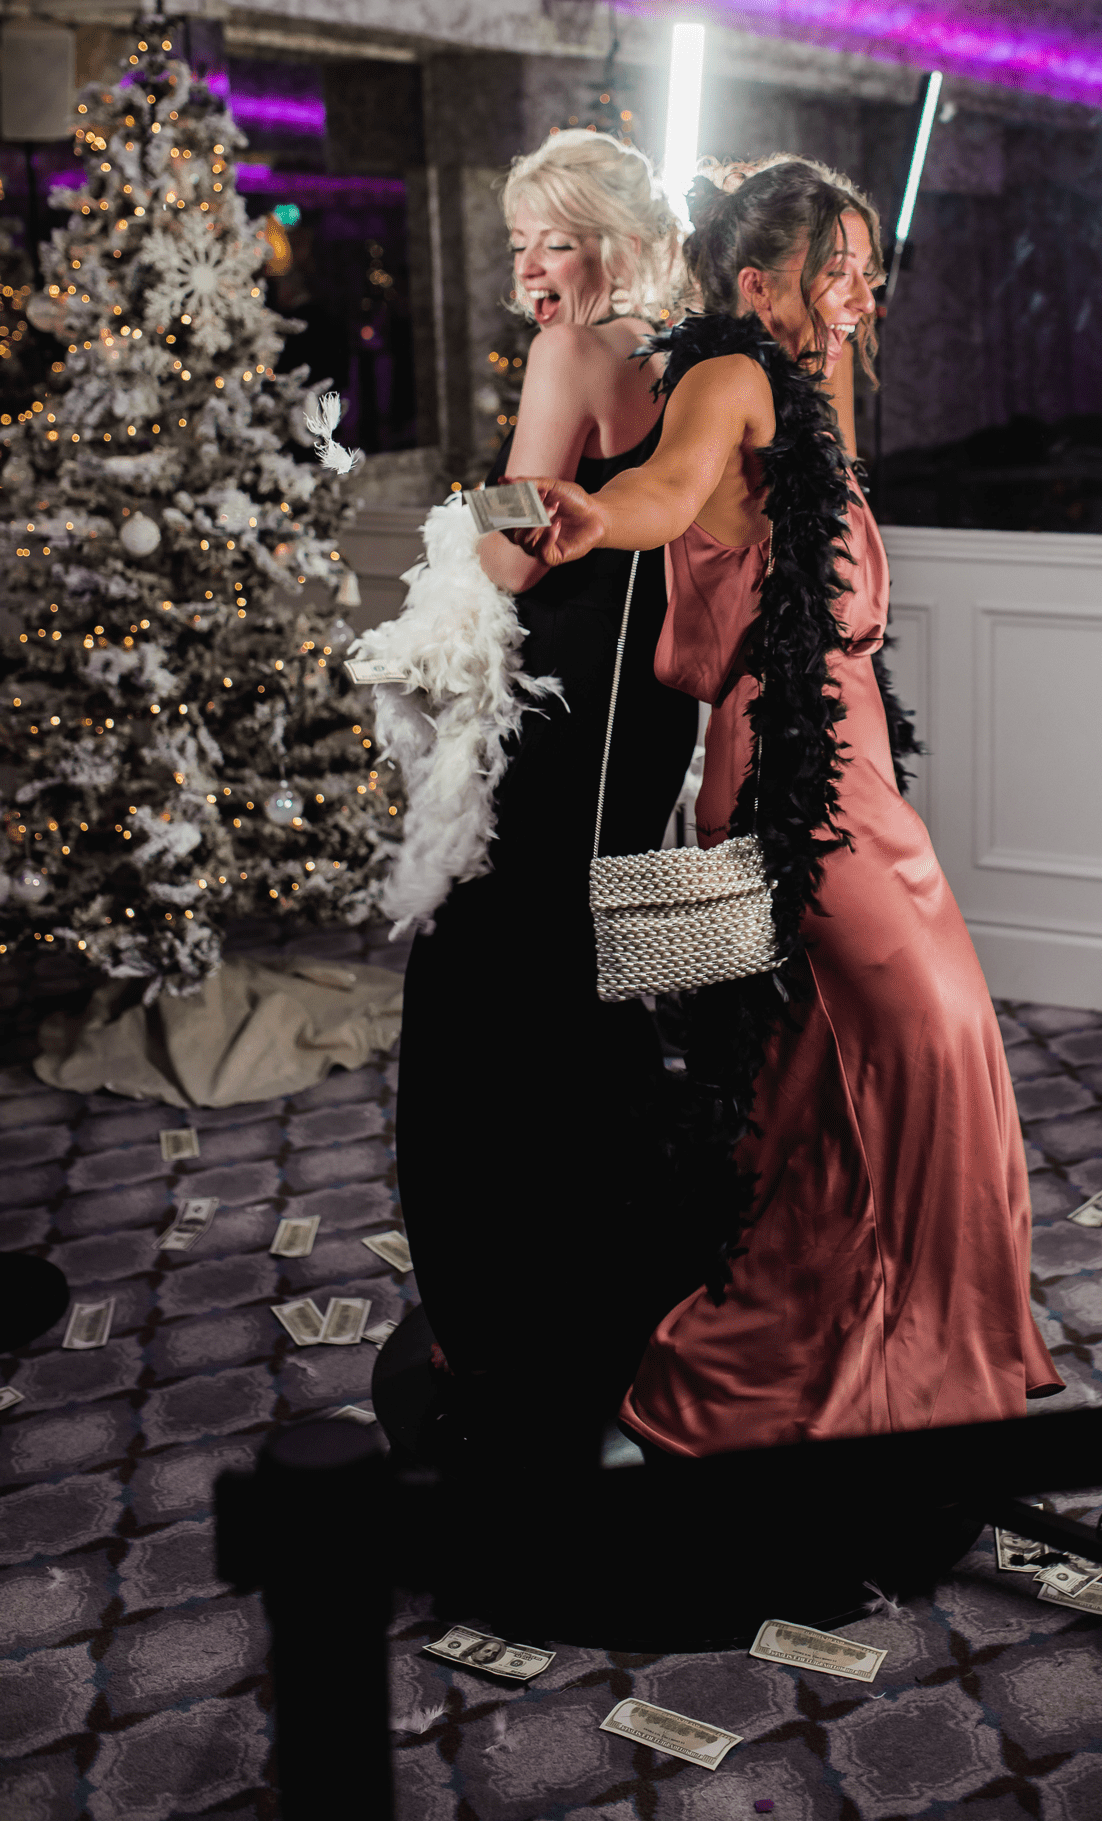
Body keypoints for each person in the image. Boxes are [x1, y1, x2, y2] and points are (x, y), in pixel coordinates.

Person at [522, 157, 1061, 1457]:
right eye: (839, 265)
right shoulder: (729, 376)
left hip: (860, 775)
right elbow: (669, 484)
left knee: (833, 1082)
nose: (862, 289)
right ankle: (806, 1363)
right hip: (792, 787)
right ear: (759, 283)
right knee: (921, 1040)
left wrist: (795, 221)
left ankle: (876, 1351)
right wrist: (603, 511)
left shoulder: (812, 396)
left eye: (866, 267)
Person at [395, 130, 701, 1449]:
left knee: (485, 969)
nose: (530, 267)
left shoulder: (573, 351)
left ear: (612, 242)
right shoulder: (696, 355)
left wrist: (462, 524)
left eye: (553, 239)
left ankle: (510, 1304)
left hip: (567, 691)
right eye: (519, 241)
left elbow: (517, 556)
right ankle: (622, 1273)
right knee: (594, 963)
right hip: (647, 703)